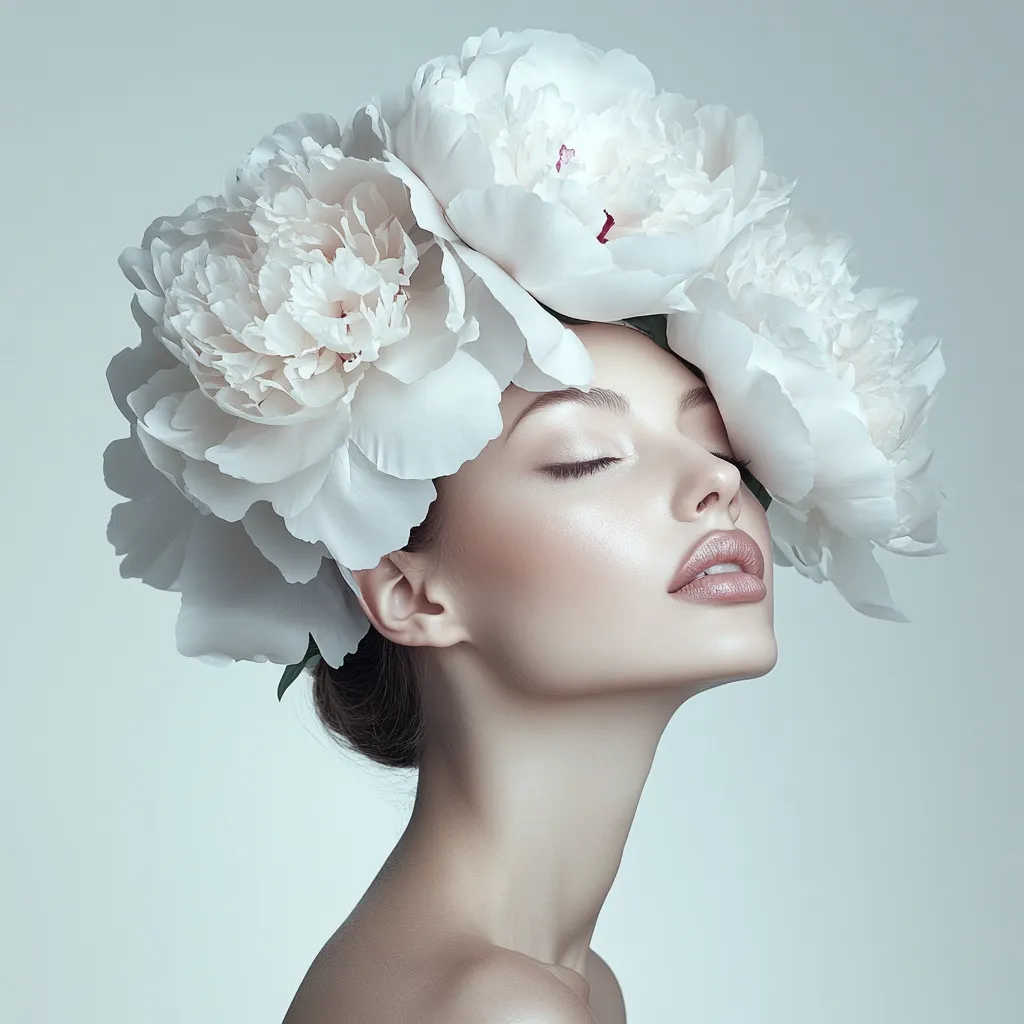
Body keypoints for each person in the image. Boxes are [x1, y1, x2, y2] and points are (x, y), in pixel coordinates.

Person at [102, 28, 944, 1024]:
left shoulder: (555, 983)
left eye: (715, 438)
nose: (716, 486)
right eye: (586, 456)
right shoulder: (497, 1004)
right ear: (409, 589)